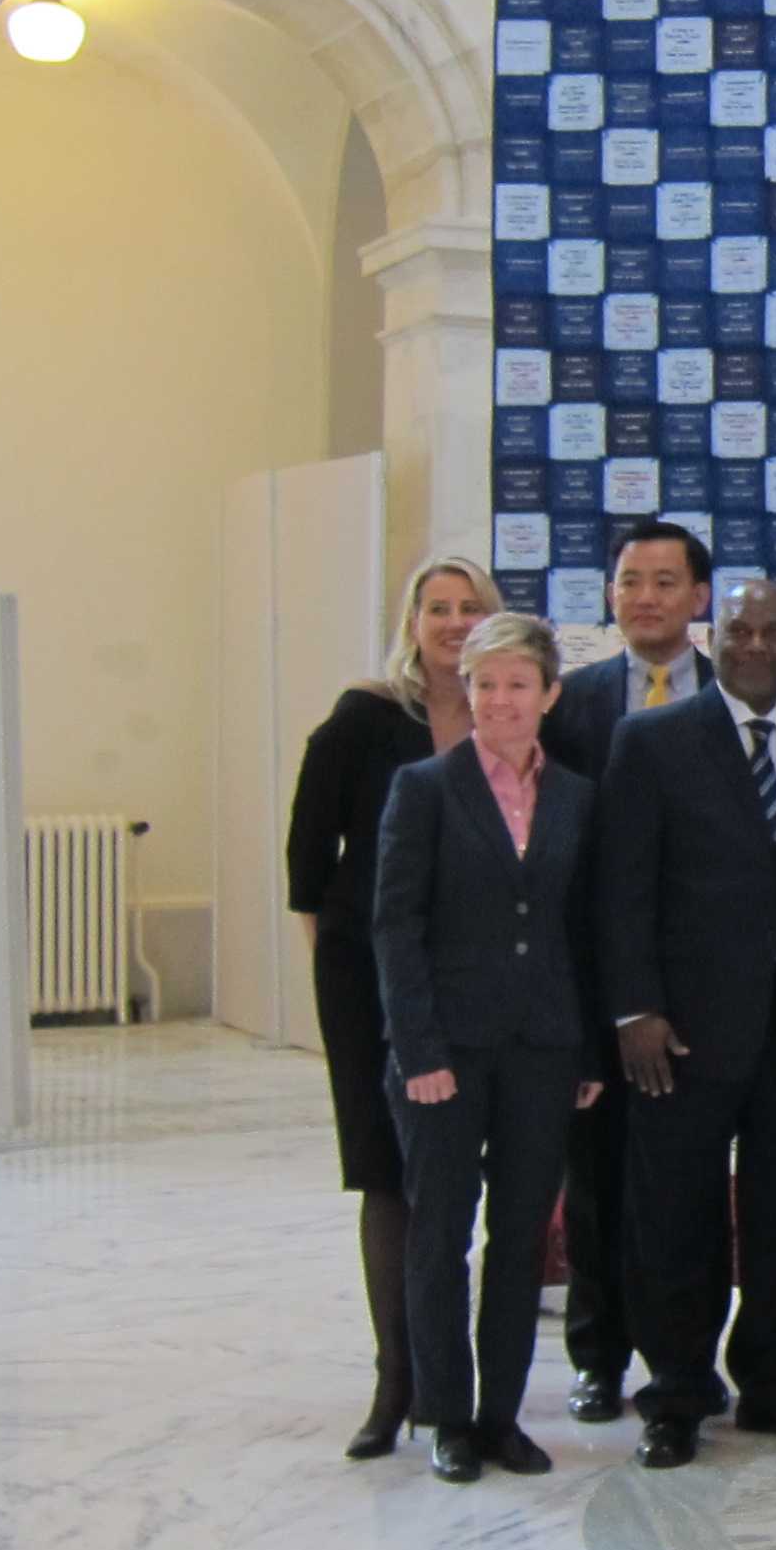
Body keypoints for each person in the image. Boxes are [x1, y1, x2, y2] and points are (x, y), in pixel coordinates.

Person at [594, 577, 776, 1468]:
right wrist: (634, 1008)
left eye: (772, 632)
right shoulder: (651, 741)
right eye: (737, 629)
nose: (753, 645)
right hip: (682, 1033)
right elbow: (620, 889)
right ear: (715, 635)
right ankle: (676, 1392)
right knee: (675, 1216)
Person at [370, 612, 607, 1484]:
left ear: (548, 695)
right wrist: (418, 1047)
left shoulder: (578, 796)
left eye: (516, 684)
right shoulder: (424, 789)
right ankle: (447, 1416)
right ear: (464, 692)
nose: (499, 700)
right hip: (445, 1050)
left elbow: (582, 932)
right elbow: (395, 927)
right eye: (483, 683)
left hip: (542, 1048)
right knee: (440, 1233)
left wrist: (585, 1052)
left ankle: (502, 1414)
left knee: (519, 1239)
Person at [285, 553, 493, 1459]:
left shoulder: (511, 714)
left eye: (468, 608)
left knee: (463, 1180)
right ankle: (394, 1377)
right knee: (387, 1175)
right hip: (368, 977)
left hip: (479, 980)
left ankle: (459, 1378)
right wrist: (353, 982)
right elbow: (307, 871)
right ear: (411, 621)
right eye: (435, 608)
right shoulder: (364, 719)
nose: (451, 623)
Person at [537, 518, 715, 1428]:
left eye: (663, 581)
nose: (644, 596)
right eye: (629, 580)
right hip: (602, 988)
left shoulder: (738, 695)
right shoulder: (572, 707)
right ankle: (599, 1356)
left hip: (709, 991)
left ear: (700, 597)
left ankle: (687, 1359)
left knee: (686, 1192)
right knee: (598, 1182)